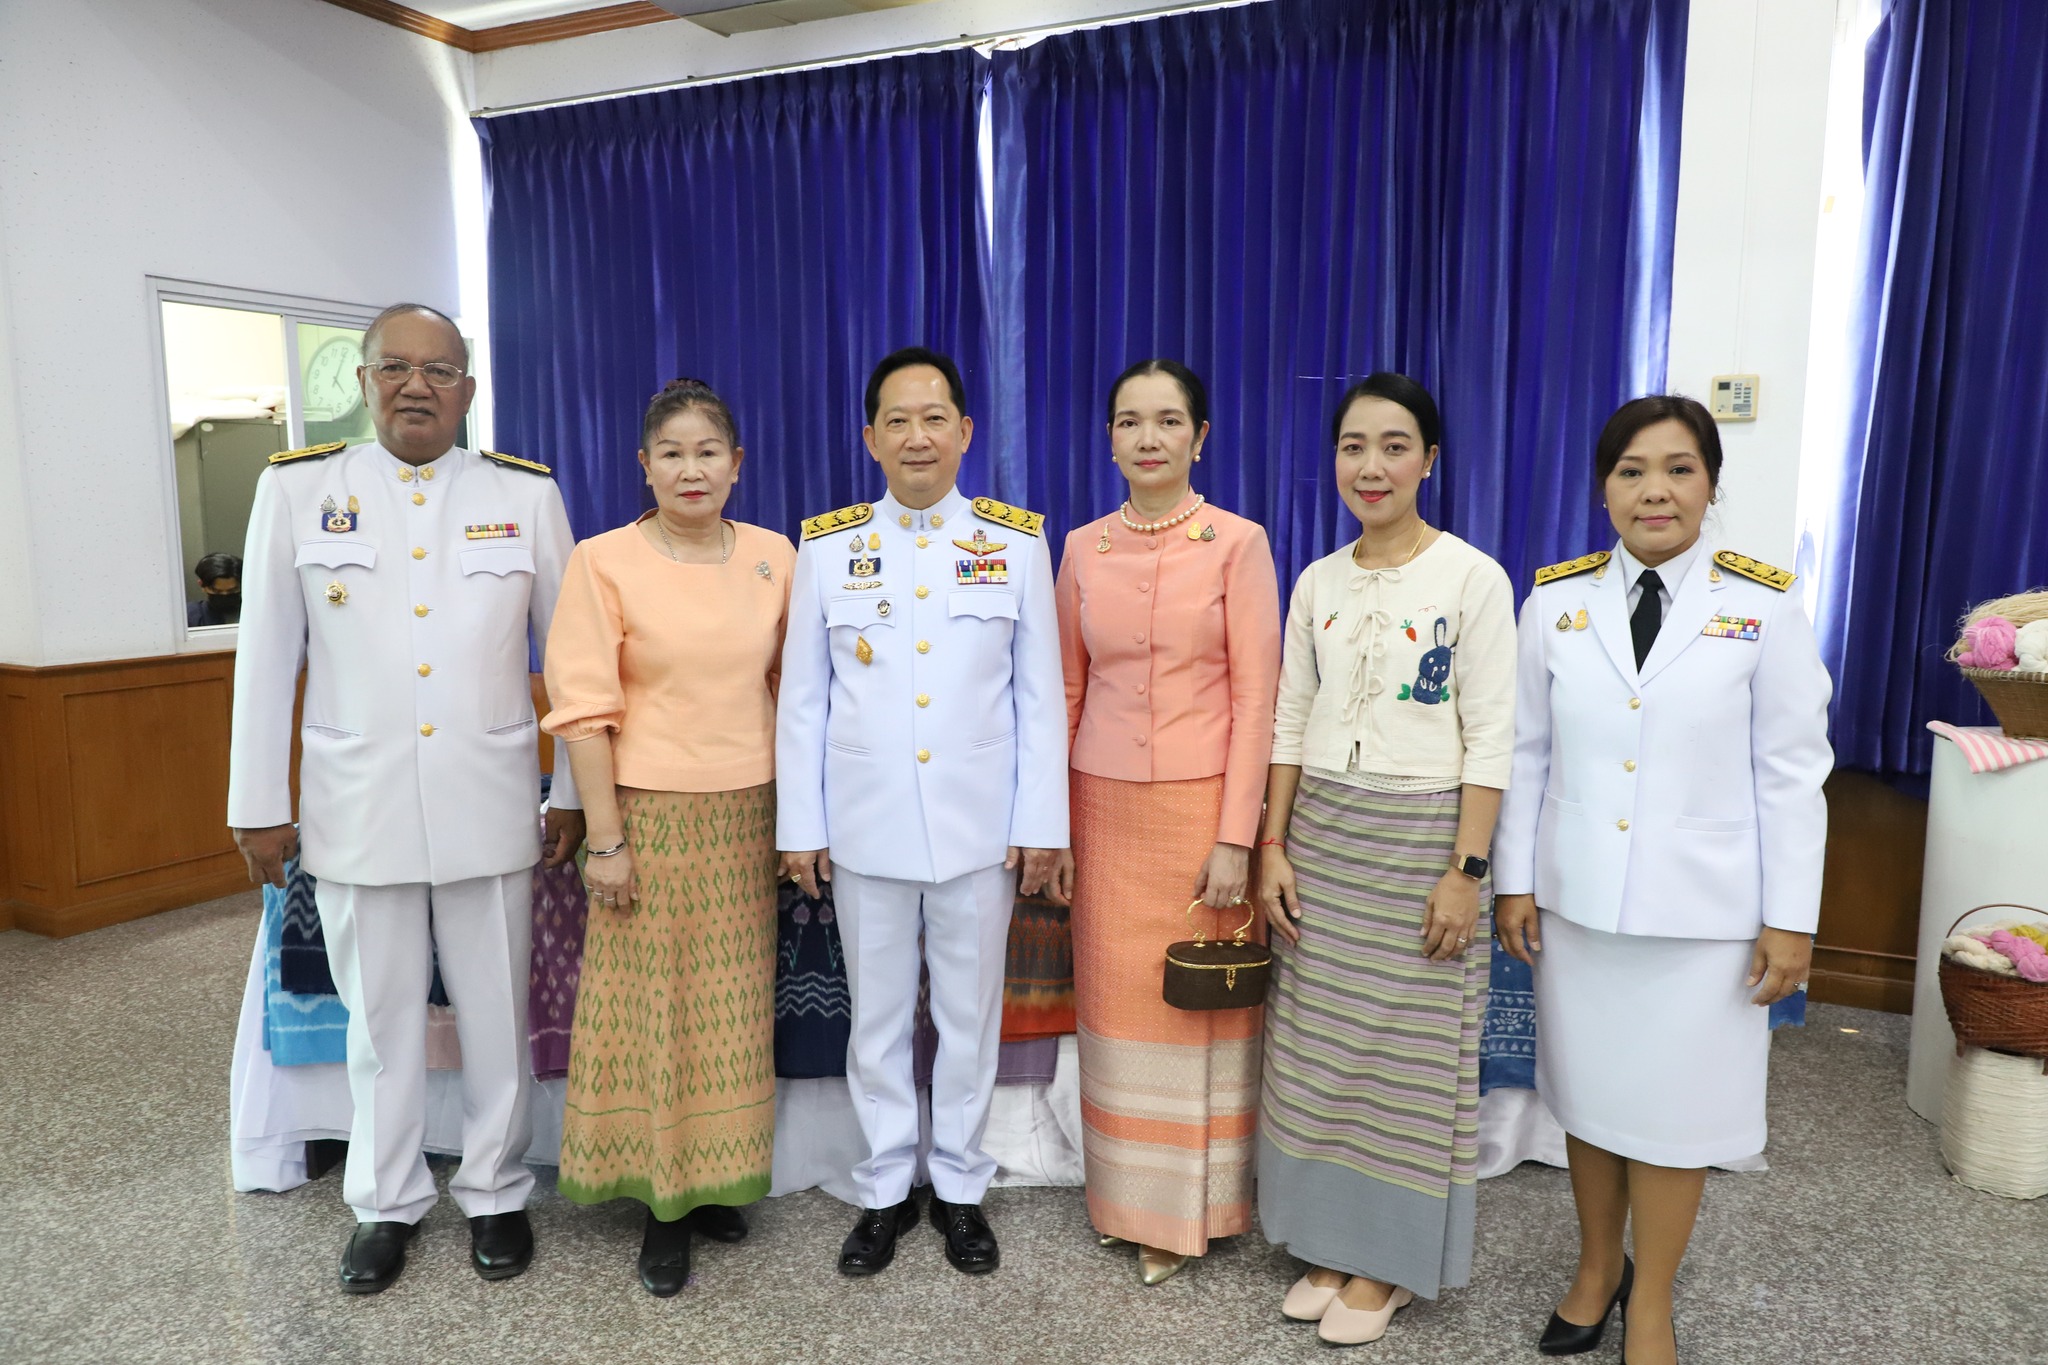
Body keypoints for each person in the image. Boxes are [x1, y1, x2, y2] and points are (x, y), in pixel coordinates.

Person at [227, 302, 585, 1294]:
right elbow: (266, 657)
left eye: (438, 370)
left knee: (494, 1011)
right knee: (377, 1021)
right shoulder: (300, 491)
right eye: (396, 368)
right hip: (358, 803)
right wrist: (256, 801)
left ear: (468, 389)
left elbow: (573, 659)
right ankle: (384, 1203)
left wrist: (570, 793)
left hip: (492, 797)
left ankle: (497, 1190)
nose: (416, 385)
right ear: (365, 380)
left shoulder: (520, 495)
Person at [1492, 395, 1830, 1365]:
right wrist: (1513, 882)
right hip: (1581, 905)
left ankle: (1652, 1306)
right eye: (1632, 469)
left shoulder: (1761, 606)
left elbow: (1791, 773)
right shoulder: (1553, 602)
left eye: (1678, 469)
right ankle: (1596, 1271)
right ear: (1602, 490)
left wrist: (1789, 919)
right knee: (1592, 1104)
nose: (1655, 489)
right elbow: (1524, 755)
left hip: (1707, 919)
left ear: (1710, 486)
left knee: (1676, 1119)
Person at [776, 346, 1069, 1278]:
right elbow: (804, 702)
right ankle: (882, 1189)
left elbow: (1039, 699)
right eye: (897, 420)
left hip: (978, 829)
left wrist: (1041, 825)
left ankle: (961, 1188)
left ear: (965, 432)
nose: (917, 436)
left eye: (935, 417)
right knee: (879, 1023)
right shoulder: (827, 546)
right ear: (870, 437)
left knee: (971, 1019)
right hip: (862, 828)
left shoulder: (1015, 541)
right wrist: (802, 827)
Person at [1253, 374, 1516, 1346]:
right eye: (1353, 446)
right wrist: (1272, 845)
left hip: (1420, 844)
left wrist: (1467, 870)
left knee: (1404, 1064)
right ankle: (1328, 1241)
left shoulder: (1471, 578)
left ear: (1429, 461)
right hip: (1323, 839)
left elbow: (1490, 737)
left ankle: (1391, 1265)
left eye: (1394, 445)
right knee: (1319, 1057)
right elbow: (1287, 721)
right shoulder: (1317, 580)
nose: (1371, 465)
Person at [541, 379, 794, 1297]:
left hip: (746, 817)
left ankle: (716, 1178)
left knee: (730, 1009)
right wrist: (604, 839)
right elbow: (581, 710)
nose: (693, 470)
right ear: (643, 467)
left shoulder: (775, 555)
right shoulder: (603, 560)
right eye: (673, 454)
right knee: (656, 1009)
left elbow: (793, 694)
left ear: (738, 463)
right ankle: (660, 1201)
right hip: (643, 814)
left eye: (709, 452)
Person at [1054, 359, 1280, 1285]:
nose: (1148, 438)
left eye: (1167, 421)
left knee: (1199, 1007)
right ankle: (1125, 1201)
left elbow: (1259, 698)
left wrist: (1237, 835)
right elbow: (1067, 688)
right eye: (1128, 422)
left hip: (1201, 811)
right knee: (1115, 1005)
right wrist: (1054, 829)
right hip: (1102, 808)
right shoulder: (1080, 547)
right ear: (1109, 438)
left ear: (1201, 437)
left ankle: (1196, 1210)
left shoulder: (1239, 543)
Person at [187, 551, 243, 626]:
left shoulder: (256, 613)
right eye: (217, 591)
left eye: (232, 590)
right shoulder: (188, 616)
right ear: (202, 585)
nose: (225, 595)